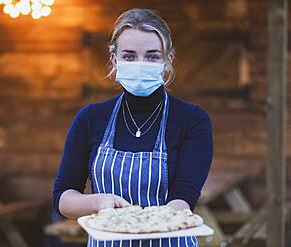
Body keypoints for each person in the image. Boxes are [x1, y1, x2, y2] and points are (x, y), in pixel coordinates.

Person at [52, 8, 213, 247]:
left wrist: (141, 223)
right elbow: (64, 197)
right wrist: (99, 203)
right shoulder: (90, 118)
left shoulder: (192, 120)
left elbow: (183, 199)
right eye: (129, 56)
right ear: (114, 60)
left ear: (167, 61)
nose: (140, 64)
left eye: (152, 56)